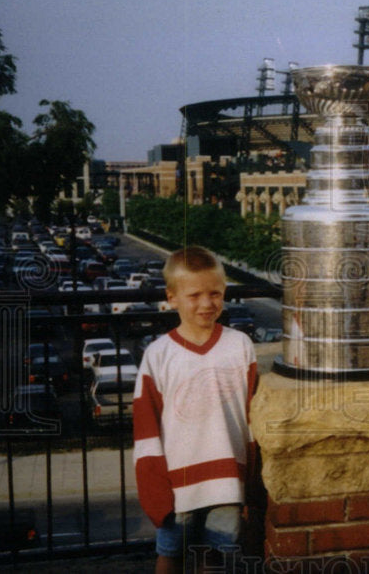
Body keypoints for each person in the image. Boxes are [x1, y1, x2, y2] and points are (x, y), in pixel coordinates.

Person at [133, 246, 259, 574]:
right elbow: (145, 429)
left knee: (214, 557)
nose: (207, 303)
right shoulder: (158, 355)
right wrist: (154, 488)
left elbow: (253, 418)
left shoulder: (240, 346)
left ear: (225, 293)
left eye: (215, 293)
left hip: (228, 480)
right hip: (177, 483)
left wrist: (253, 483)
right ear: (172, 297)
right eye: (194, 295)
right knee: (171, 554)